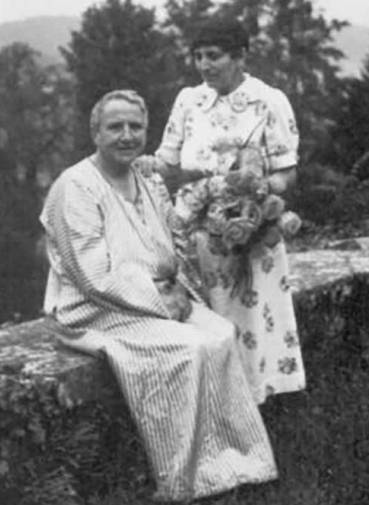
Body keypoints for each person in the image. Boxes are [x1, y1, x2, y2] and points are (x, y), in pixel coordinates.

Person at [40, 89, 277, 502]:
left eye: (136, 127)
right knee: (185, 348)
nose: (127, 135)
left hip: (159, 297)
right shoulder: (75, 187)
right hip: (95, 308)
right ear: (95, 132)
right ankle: (181, 481)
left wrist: (179, 291)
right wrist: (158, 298)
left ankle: (232, 467)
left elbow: (173, 245)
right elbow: (90, 273)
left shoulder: (146, 180)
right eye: (115, 127)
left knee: (220, 334)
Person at [154, 17, 306, 404]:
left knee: (250, 332)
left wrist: (250, 190)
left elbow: (286, 174)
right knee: (204, 328)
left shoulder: (268, 101)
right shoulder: (189, 101)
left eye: (214, 56)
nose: (205, 65)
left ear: (239, 56)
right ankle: (214, 416)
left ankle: (256, 413)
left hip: (248, 238)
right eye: (198, 56)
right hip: (195, 236)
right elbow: (166, 163)